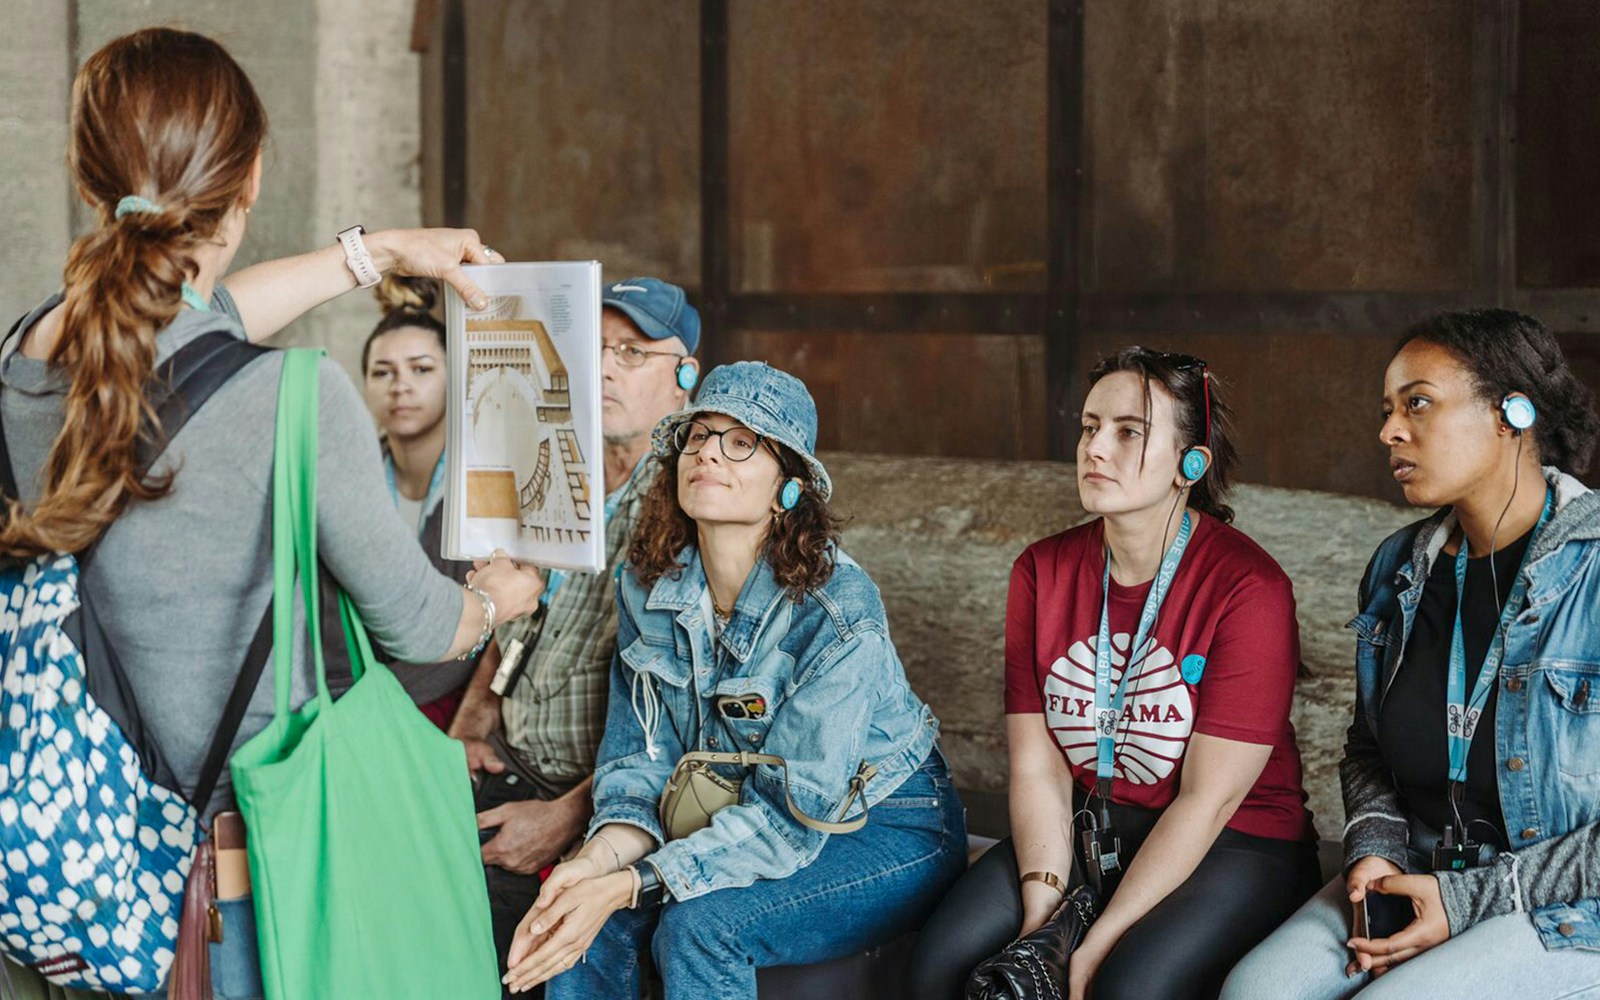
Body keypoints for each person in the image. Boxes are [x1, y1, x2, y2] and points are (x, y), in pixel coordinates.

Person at [0, 27, 545, 999]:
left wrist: (374, 252)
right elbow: (422, 624)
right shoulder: (298, 399)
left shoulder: (29, 360)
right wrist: (500, 598)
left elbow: (196, 338)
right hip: (245, 879)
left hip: (91, 868)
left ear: (92, 179)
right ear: (248, 181)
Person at [498, 362, 966, 999]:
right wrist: (591, 866)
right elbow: (640, 766)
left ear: (788, 489)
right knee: (586, 905)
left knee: (698, 925)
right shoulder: (647, 588)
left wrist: (633, 881)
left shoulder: (838, 610)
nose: (709, 453)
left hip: (884, 821)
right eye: (698, 436)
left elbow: (791, 818)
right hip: (734, 811)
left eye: (741, 442)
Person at [908, 347, 1320, 1000]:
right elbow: (1039, 769)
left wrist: (1095, 940)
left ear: (1192, 463)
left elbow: (1206, 801)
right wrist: (1045, 918)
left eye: (1129, 432)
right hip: (1088, 825)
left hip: (1233, 840)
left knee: (1126, 987)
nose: (1096, 448)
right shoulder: (1041, 571)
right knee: (942, 964)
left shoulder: (1249, 587)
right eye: (1090, 426)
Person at [1222, 310, 1600, 1000]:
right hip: (1421, 865)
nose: (1388, 431)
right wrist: (1373, 851)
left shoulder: (1595, 571)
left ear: (1511, 412)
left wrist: (1465, 903)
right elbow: (1370, 748)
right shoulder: (1400, 567)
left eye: (1417, 403)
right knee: (1255, 993)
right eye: (1388, 409)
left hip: (1568, 903)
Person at [446, 277, 702, 990]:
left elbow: (688, 716)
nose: (605, 367)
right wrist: (470, 727)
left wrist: (566, 817)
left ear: (685, 379)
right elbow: (512, 622)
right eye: (593, 349)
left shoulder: (691, 498)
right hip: (506, 765)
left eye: (631, 351)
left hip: (594, 803)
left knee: (492, 949)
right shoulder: (558, 469)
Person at [338, 274, 478, 728]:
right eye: (383, 372)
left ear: (454, 377)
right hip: (351, 691)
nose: (400, 386)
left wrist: (372, 708)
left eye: (421, 369)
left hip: (444, 698)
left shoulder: (481, 484)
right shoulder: (345, 480)